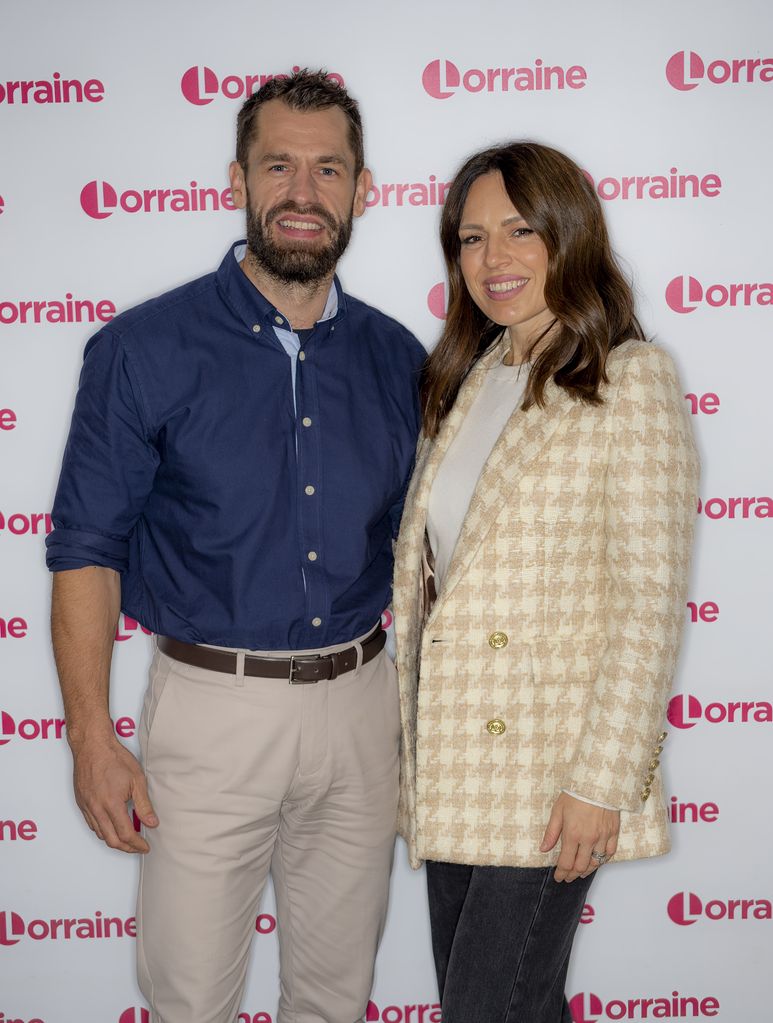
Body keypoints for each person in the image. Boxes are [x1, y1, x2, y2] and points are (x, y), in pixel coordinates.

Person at [46, 70, 426, 1023]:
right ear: (237, 179)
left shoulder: (400, 359)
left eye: (328, 169)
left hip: (360, 707)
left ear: (362, 188)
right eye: (280, 166)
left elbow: (425, 551)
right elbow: (87, 548)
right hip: (211, 718)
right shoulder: (142, 350)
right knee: (188, 998)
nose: (303, 192)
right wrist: (92, 735)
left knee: (335, 996)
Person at [392, 141, 699, 1023]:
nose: (495, 259)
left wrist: (603, 781)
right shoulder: (469, 375)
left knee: (488, 1009)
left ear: (569, 235)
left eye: (521, 231)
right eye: (473, 237)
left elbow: (647, 604)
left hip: (552, 771)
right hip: (457, 762)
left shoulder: (629, 378)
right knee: (510, 1005)